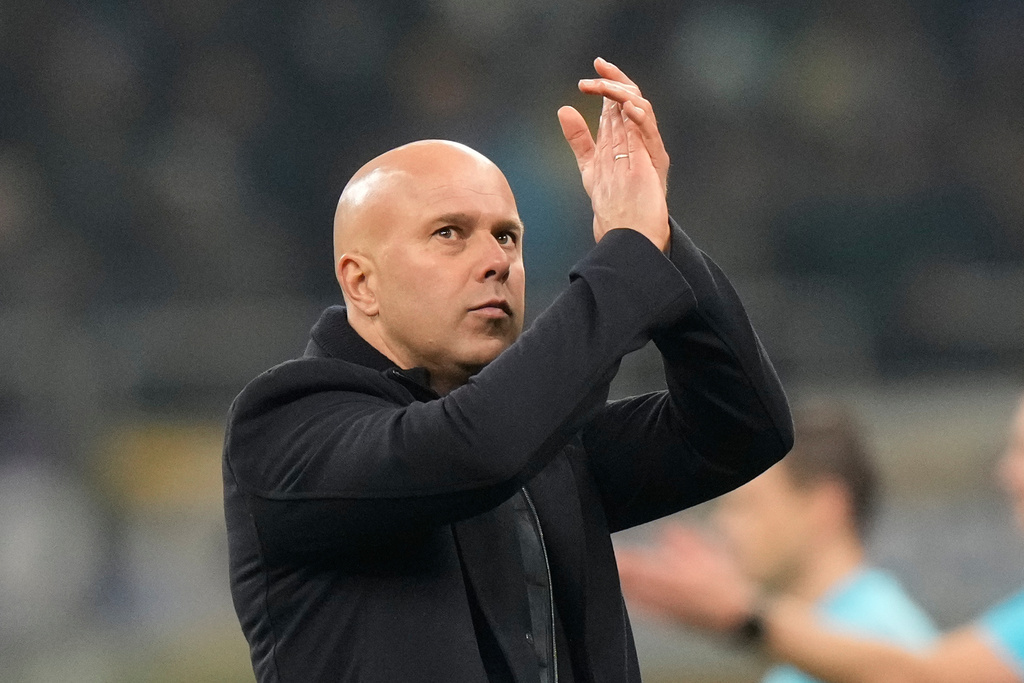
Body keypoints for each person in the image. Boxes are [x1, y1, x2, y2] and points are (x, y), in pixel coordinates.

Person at [222, 57, 793, 682]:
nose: (494, 260)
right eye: (449, 233)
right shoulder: (286, 426)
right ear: (361, 282)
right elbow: (474, 449)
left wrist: (655, 238)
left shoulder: (545, 448)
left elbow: (742, 425)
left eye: (507, 238)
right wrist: (626, 260)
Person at [615, 394, 1024, 683]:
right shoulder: (822, 641)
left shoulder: (879, 638)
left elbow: (916, 676)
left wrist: (739, 614)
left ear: (824, 505)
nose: (724, 525)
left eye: (748, 506)